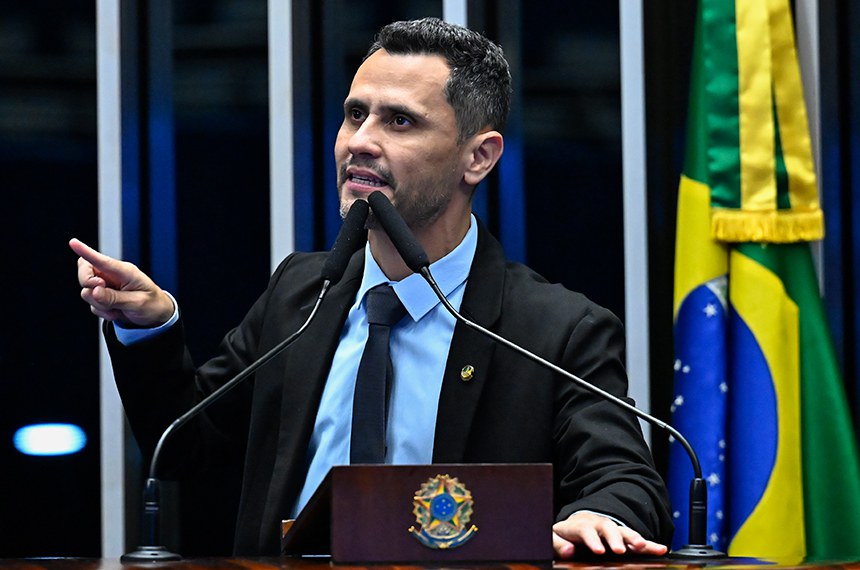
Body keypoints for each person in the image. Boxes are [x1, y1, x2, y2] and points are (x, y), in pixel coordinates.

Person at [71, 17, 673, 558]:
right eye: (355, 113)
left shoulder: (554, 330)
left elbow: (624, 480)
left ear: (479, 158)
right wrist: (147, 327)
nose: (359, 140)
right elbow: (186, 447)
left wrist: (597, 514)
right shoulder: (300, 296)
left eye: (400, 121)